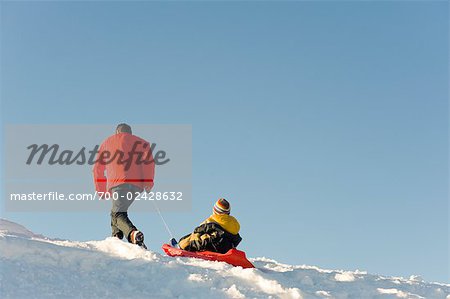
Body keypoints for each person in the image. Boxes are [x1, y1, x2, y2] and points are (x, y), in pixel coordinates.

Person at [93, 123, 155, 248]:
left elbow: (97, 169)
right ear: (130, 132)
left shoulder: (107, 142)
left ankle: (132, 233)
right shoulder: (142, 143)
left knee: (118, 213)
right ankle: (116, 238)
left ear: (117, 132)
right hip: (137, 186)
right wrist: (148, 183)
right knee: (116, 212)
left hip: (118, 183)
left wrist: (100, 190)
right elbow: (149, 164)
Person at [177, 198, 242, 254]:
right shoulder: (234, 222)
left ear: (215, 210)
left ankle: (180, 246)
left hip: (213, 245)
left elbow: (198, 229)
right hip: (227, 248)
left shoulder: (211, 220)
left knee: (195, 237)